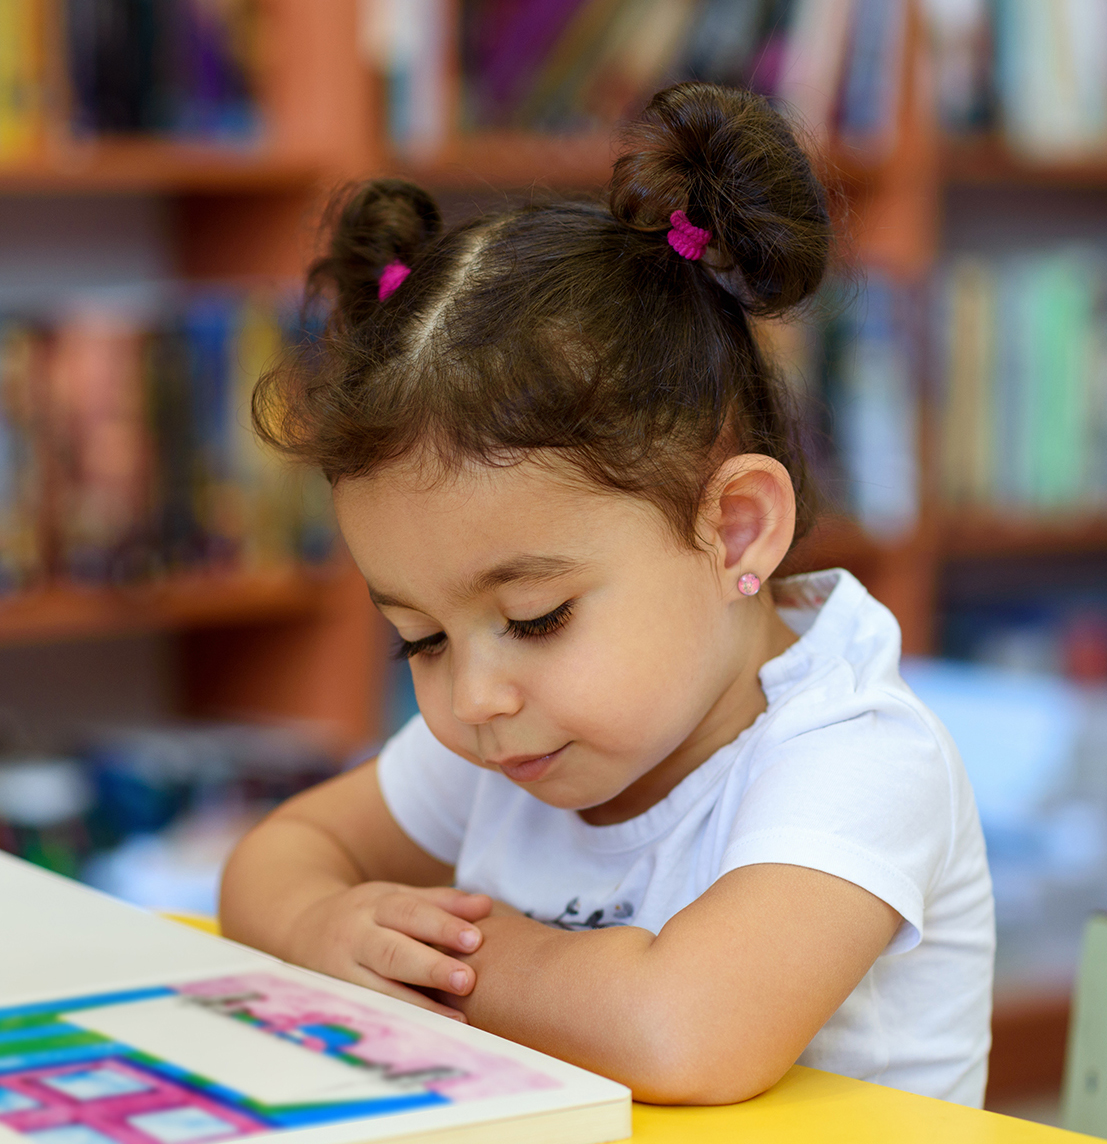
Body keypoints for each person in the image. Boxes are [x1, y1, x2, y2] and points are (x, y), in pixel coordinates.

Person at [220, 82, 994, 1107]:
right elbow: (276, 857)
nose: (474, 696)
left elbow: (687, 1034)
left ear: (735, 531)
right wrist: (324, 925)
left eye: (536, 617)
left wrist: (443, 960)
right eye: (419, 640)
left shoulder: (855, 752)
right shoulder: (521, 736)